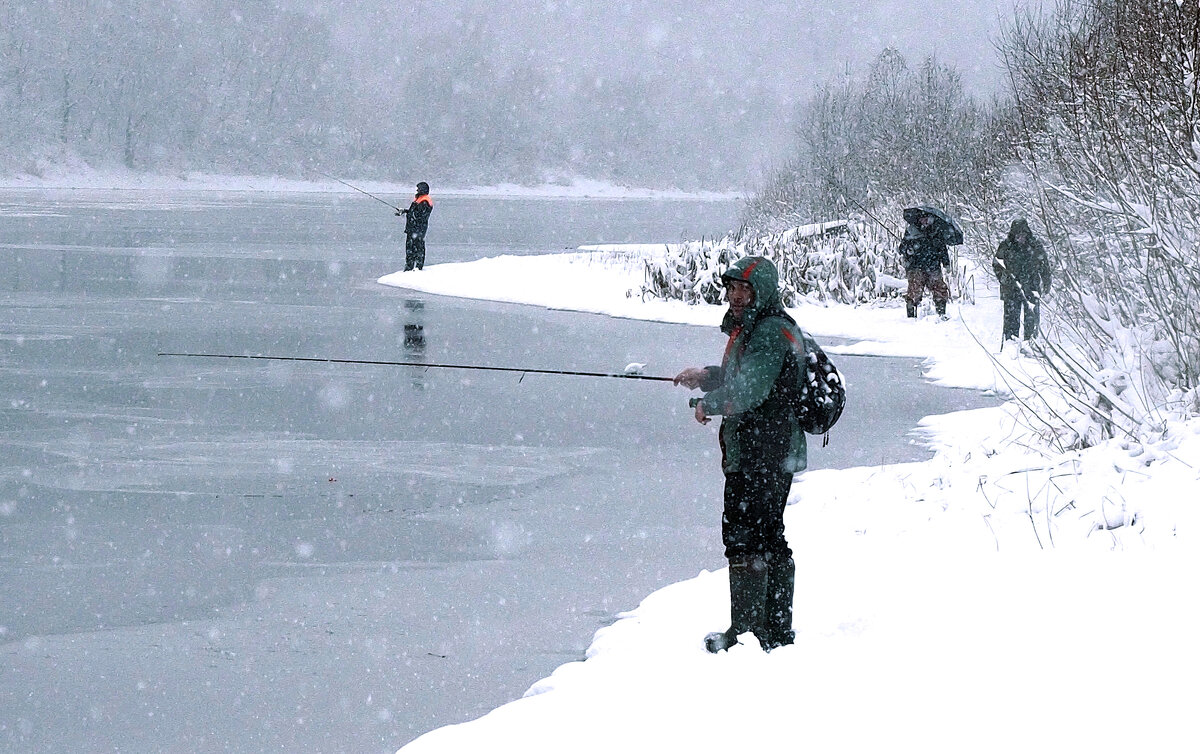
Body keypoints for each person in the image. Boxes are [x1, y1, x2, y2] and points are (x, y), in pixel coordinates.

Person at [673, 256, 805, 653]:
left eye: (743, 289)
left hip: (763, 451)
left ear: (760, 291)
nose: (735, 296)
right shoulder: (762, 329)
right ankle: (771, 631)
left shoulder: (768, 332)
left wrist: (707, 403)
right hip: (768, 449)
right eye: (731, 289)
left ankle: (750, 634)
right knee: (765, 537)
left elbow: (752, 391)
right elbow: (749, 376)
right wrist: (709, 376)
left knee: (748, 538)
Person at [993, 218, 1052, 342]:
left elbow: (1044, 266)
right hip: (1011, 288)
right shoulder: (1006, 246)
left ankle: (1031, 343)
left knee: (1031, 319)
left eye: (1023, 233)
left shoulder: (1035, 246)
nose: (1020, 237)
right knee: (1011, 319)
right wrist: (1004, 278)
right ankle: (1011, 343)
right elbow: (997, 264)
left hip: (1032, 287)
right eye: (1017, 234)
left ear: (1027, 232)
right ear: (1013, 234)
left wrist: (1047, 283)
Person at [900, 209, 951, 319]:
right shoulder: (911, 231)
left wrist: (946, 263)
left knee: (940, 289)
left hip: (933, 266)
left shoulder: (937, 231)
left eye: (927, 219)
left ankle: (941, 313)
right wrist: (909, 250)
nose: (925, 221)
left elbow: (942, 249)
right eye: (923, 219)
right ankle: (911, 316)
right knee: (914, 291)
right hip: (916, 267)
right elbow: (902, 247)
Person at [396, 182, 433, 271]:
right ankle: (409, 267)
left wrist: (411, 216)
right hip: (413, 229)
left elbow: (420, 216)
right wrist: (405, 211)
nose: (416, 190)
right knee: (410, 248)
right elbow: (414, 212)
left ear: (422, 190)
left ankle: (417, 267)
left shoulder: (424, 201)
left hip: (418, 229)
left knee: (417, 247)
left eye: (418, 188)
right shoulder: (419, 199)